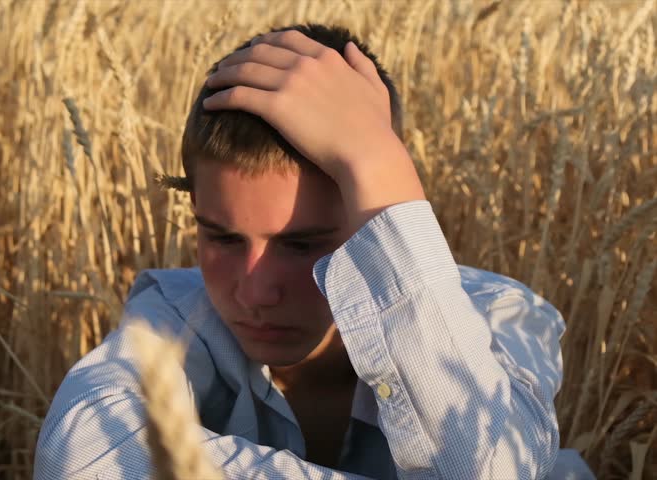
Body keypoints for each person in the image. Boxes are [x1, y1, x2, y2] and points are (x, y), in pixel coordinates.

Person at [34, 24, 594, 479]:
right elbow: (81, 457)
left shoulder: (500, 314)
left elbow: (495, 468)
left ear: (376, 208)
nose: (254, 292)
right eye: (222, 237)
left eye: (301, 245)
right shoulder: (179, 315)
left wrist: (375, 159)